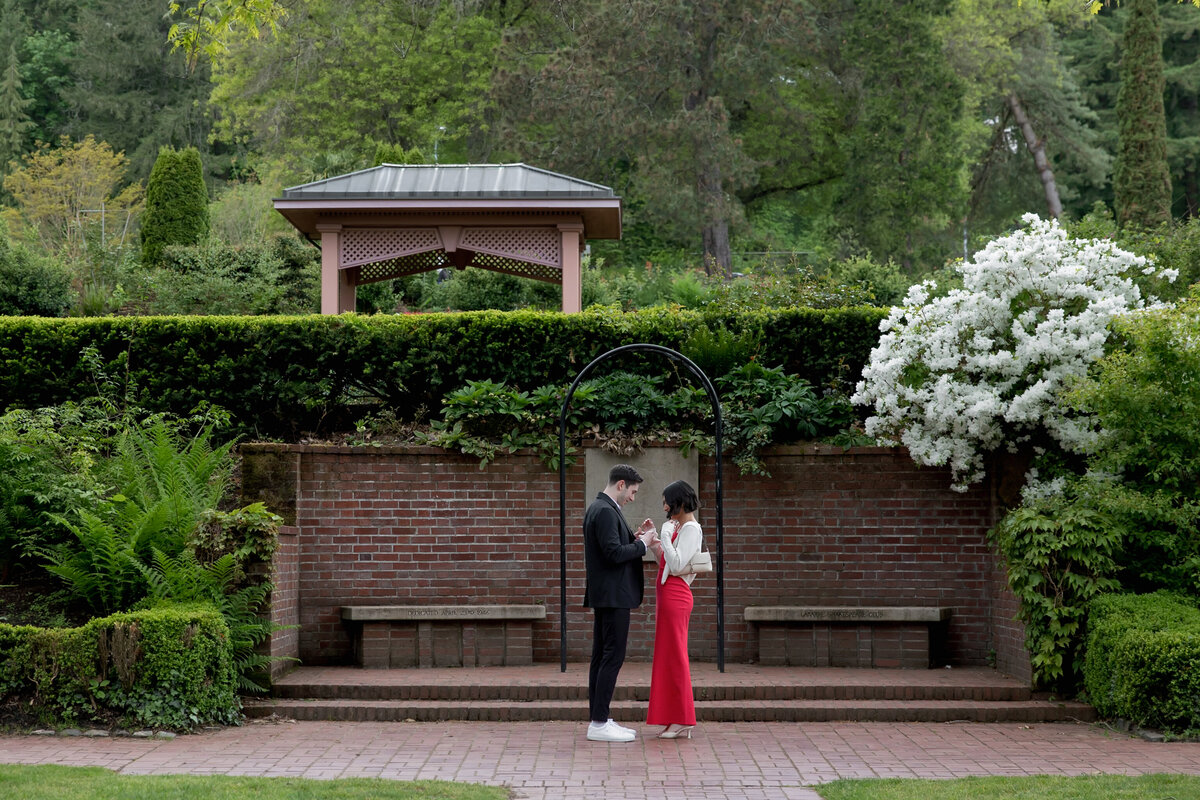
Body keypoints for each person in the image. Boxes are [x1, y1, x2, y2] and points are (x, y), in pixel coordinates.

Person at [582, 463, 657, 743]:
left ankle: (598, 718)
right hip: (613, 596)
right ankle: (599, 723)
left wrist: (635, 539)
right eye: (633, 492)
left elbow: (610, 549)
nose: (633, 498)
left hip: (607, 595)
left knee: (602, 657)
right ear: (621, 484)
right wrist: (644, 544)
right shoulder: (604, 510)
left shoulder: (600, 508)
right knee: (611, 657)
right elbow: (613, 554)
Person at [646, 479, 702, 739]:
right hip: (668, 596)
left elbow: (678, 566)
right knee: (668, 657)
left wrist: (666, 535)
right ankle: (673, 718)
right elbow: (667, 562)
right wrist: (656, 539)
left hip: (676, 597)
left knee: (676, 657)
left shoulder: (691, 528)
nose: (665, 505)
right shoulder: (680, 527)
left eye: (667, 500)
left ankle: (683, 719)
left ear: (678, 501)